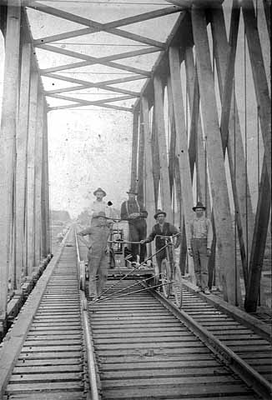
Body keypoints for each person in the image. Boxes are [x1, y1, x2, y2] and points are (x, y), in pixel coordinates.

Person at [77, 211, 111, 300]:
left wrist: (107, 246)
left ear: (105, 220)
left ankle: (99, 294)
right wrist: (87, 244)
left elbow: (106, 240)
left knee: (103, 275)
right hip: (94, 254)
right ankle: (93, 295)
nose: (102, 221)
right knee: (93, 274)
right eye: (100, 219)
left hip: (104, 254)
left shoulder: (107, 230)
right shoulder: (92, 229)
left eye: (103, 219)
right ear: (97, 220)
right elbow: (79, 235)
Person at [141, 210, 180, 276]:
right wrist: (145, 240)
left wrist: (176, 245)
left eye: (162, 216)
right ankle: (160, 278)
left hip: (168, 247)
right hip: (159, 248)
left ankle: (172, 277)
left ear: (164, 217)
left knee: (171, 262)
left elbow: (178, 234)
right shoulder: (155, 227)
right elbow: (151, 237)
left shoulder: (169, 226)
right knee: (159, 262)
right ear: (157, 218)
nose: (161, 218)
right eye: (159, 216)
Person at [188, 201, 213, 294]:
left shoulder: (207, 221)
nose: (199, 212)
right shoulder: (192, 222)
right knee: (196, 267)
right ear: (195, 211)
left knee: (204, 267)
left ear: (203, 211)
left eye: (200, 210)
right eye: (197, 210)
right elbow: (189, 235)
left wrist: (209, 247)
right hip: (194, 242)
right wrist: (190, 248)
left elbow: (210, 234)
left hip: (203, 242)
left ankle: (205, 287)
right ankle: (199, 286)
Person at [120, 189, 148, 263]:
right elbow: (122, 216)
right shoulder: (124, 204)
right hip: (132, 224)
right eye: (130, 195)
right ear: (128, 195)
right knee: (134, 240)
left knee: (143, 241)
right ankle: (134, 260)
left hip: (142, 224)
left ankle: (142, 260)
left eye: (133, 195)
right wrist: (129, 216)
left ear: (135, 196)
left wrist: (139, 214)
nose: (131, 196)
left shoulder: (139, 204)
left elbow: (145, 214)